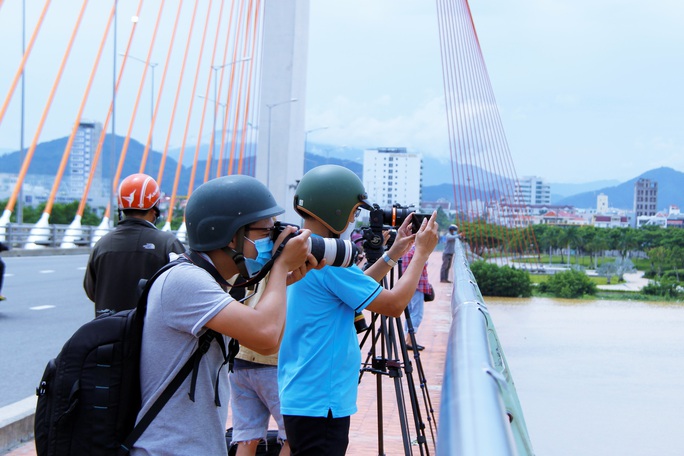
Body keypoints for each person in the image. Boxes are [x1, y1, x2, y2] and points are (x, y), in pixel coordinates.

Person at [131, 175, 318, 455]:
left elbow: (269, 338)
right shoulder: (185, 280)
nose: (272, 240)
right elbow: (265, 336)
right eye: (265, 232)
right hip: (168, 449)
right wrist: (279, 268)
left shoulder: (215, 283)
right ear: (230, 235)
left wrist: (282, 279)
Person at [278, 165, 439, 455]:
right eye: (354, 212)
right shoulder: (328, 260)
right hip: (322, 401)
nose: (355, 219)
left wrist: (394, 255)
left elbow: (354, 288)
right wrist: (422, 254)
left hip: (303, 392)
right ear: (336, 209)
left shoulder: (305, 249)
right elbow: (393, 304)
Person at [83, 173, 185, 317]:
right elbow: (185, 291)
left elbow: (92, 291)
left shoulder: (102, 245)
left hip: (108, 333)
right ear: (155, 208)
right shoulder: (168, 244)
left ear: (121, 207)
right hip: (153, 333)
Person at [229, 228, 291, 456]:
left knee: (247, 437)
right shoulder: (286, 268)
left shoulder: (245, 264)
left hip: (240, 361)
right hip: (273, 362)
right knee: (293, 436)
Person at [399, 244, 430, 351]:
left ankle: (409, 340)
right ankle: (409, 341)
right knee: (417, 313)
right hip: (417, 284)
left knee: (410, 312)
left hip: (407, 285)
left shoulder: (406, 248)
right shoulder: (417, 250)